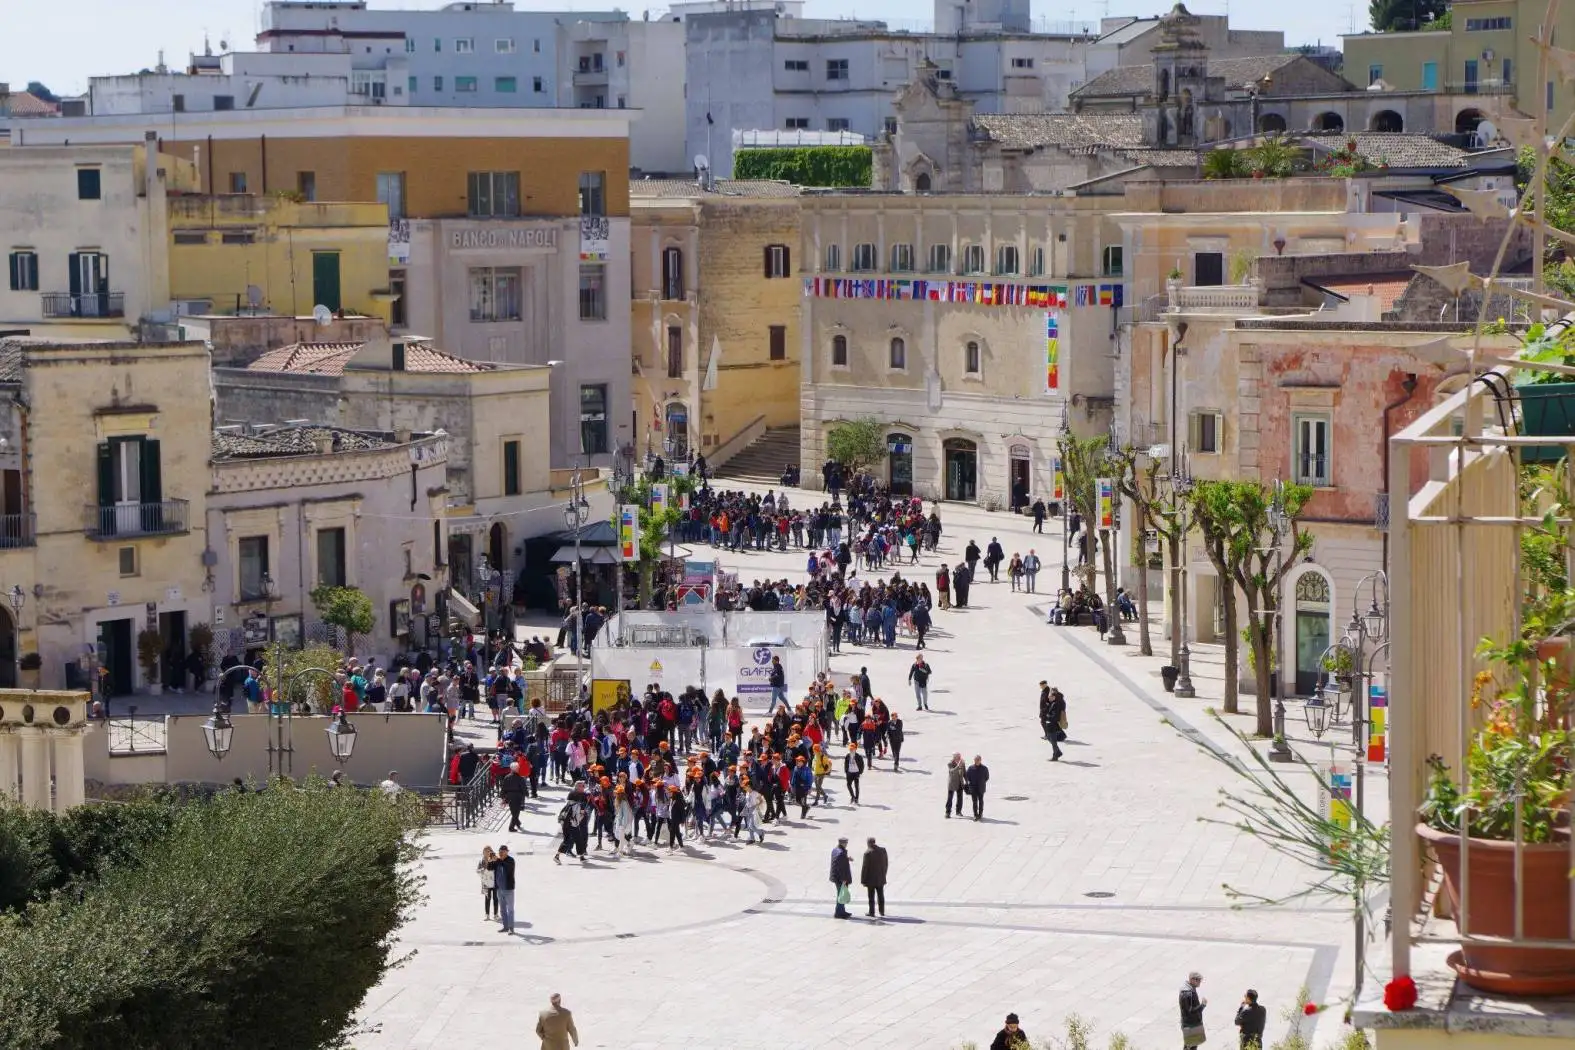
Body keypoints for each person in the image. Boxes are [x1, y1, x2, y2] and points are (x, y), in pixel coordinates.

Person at [487, 843, 517, 934]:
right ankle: (505, 927)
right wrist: (490, 860)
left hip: (509, 890)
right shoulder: (497, 861)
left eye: (503, 852)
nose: (501, 853)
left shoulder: (510, 860)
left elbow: (507, 867)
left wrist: (498, 860)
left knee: (510, 910)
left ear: (507, 852)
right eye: (500, 852)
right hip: (499, 890)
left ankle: (511, 928)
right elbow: (489, 868)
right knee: (502, 909)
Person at [860, 835, 888, 918]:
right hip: (880, 878)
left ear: (868, 843)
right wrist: (884, 874)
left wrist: (863, 880)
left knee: (871, 896)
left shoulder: (867, 853)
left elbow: (865, 868)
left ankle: (872, 912)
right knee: (881, 895)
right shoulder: (883, 850)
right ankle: (882, 911)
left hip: (870, 879)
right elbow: (886, 864)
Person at [1180, 971, 1208, 1048]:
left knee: (1191, 1045)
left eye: (1200, 980)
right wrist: (1202, 1005)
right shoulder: (1187, 993)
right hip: (1190, 1024)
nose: (1199, 982)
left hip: (1192, 1023)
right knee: (1190, 1046)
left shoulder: (1191, 990)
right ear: (1192, 980)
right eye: (1198, 980)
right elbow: (1189, 1011)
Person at [830, 836, 854, 919]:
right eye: (846, 843)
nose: (847, 844)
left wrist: (846, 858)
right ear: (842, 843)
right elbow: (840, 867)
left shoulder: (836, 850)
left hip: (836, 877)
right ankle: (839, 913)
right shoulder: (841, 853)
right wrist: (843, 879)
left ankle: (841, 911)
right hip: (840, 878)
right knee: (841, 895)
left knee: (841, 894)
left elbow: (839, 861)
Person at [501, 763, 528, 831]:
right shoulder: (520, 778)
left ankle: (517, 823)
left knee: (514, 812)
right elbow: (523, 788)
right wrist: (526, 794)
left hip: (509, 797)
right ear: (516, 769)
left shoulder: (507, 777)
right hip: (517, 796)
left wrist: (503, 796)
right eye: (518, 768)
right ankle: (511, 827)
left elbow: (503, 788)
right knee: (516, 812)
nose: (519, 769)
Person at [964, 754, 990, 820]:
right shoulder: (971, 768)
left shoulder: (984, 768)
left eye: (978, 760)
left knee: (981, 801)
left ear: (980, 760)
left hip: (981, 787)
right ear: (974, 760)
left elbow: (987, 777)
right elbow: (967, 776)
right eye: (976, 760)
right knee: (974, 802)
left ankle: (980, 814)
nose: (977, 761)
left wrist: (982, 782)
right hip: (973, 788)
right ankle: (975, 815)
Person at [1045, 686, 1067, 761]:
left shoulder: (1056, 704)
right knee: (1049, 738)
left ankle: (1056, 755)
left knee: (1053, 740)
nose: (1049, 698)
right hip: (1051, 725)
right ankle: (1057, 753)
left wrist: (1048, 716)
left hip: (1053, 725)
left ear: (1054, 696)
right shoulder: (1054, 703)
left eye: (1050, 696)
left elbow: (1055, 716)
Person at [478, 845, 498, 921]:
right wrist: (483, 870)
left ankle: (496, 914)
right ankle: (487, 915)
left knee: (496, 898)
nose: (487, 852)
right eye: (486, 851)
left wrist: (495, 860)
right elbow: (478, 870)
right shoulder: (482, 861)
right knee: (487, 898)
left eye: (489, 851)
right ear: (483, 852)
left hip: (495, 882)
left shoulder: (495, 859)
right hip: (486, 883)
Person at [945, 752, 967, 818]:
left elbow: (964, 773)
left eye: (960, 757)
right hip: (952, 783)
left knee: (960, 798)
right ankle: (947, 812)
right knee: (950, 798)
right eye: (958, 757)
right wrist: (958, 766)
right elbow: (952, 771)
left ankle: (958, 811)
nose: (960, 758)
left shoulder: (962, 763)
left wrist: (967, 781)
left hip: (960, 783)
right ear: (954, 758)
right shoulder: (950, 763)